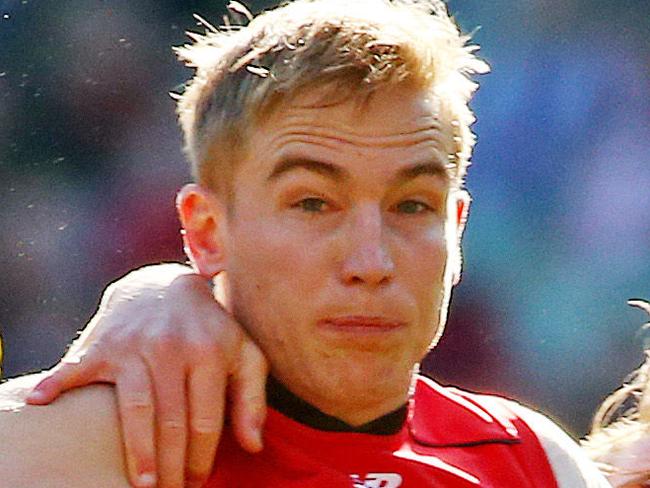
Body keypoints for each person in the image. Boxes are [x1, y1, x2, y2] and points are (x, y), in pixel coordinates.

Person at [0, 0, 645, 486]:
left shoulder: (535, 464)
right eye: (313, 203)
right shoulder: (74, 450)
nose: (371, 261)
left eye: (412, 205)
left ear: (457, 230)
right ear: (205, 232)